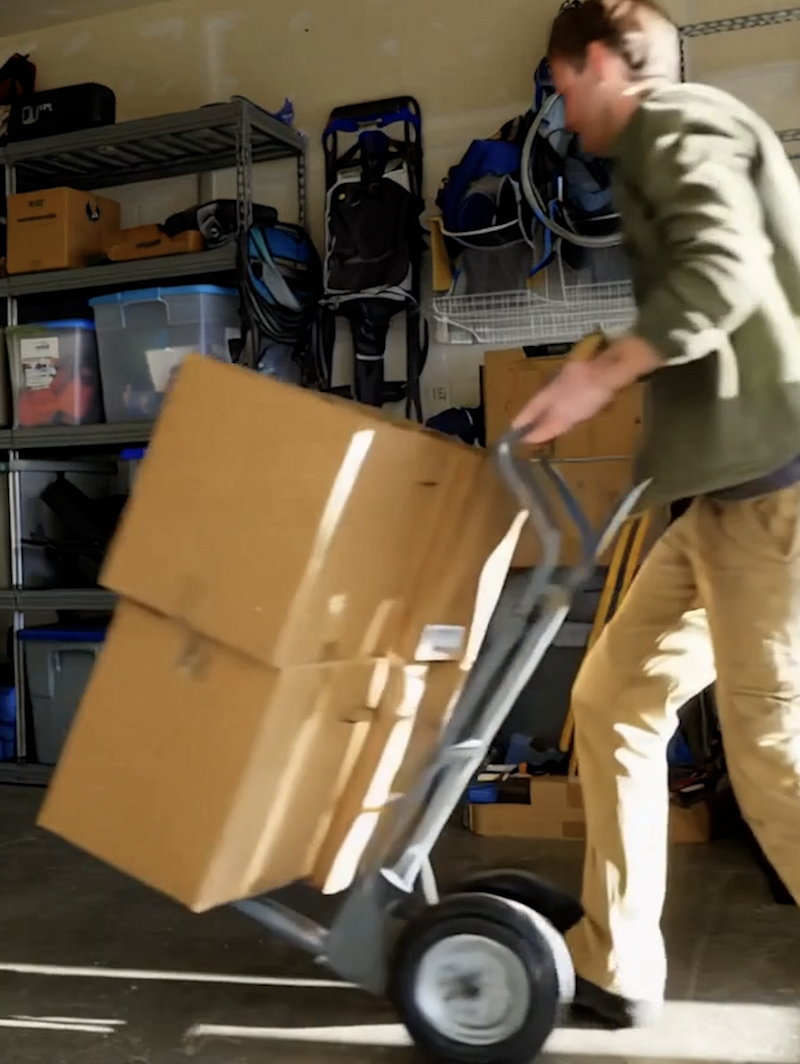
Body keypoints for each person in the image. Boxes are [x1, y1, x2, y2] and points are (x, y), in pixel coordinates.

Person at [512, 0, 800, 1031]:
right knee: (613, 695)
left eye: (558, 87)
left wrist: (598, 381)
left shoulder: (676, 127)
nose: (559, 112)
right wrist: (595, 366)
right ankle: (617, 957)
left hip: (771, 488)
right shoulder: (666, 143)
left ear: (594, 63)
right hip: (722, 496)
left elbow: (717, 276)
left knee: (769, 758)